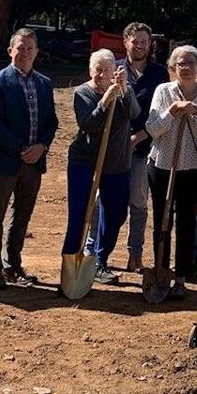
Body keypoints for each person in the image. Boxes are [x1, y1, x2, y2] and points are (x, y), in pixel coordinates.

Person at [0, 29, 59, 289]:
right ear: (10, 50)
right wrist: (22, 149)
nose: (24, 53)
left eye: (29, 48)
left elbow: (52, 121)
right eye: (20, 48)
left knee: (22, 215)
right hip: (5, 160)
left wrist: (42, 147)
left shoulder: (45, 83)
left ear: (36, 52)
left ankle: (13, 265)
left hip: (34, 162)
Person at [62, 49, 140, 285]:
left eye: (106, 70)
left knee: (115, 213)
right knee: (79, 214)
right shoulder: (83, 92)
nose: (102, 74)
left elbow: (135, 114)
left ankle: (99, 260)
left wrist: (124, 91)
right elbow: (89, 125)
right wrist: (105, 100)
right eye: (98, 69)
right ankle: (70, 263)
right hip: (85, 161)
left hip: (117, 162)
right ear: (90, 70)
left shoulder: (125, 89)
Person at [146, 45, 197, 298]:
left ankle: (181, 277)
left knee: (187, 222)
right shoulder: (162, 91)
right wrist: (172, 112)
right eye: (180, 64)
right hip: (163, 166)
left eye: (190, 63)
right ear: (173, 68)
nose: (186, 68)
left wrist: (196, 113)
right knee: (161, 221)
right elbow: (153, 129)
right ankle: (161, 270)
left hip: (192, 168)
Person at [116, 22, 168, 273]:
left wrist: (142, 134)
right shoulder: (114, 69)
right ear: (125, 42)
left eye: (144, 42)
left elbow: (162, 112)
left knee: (138, 204)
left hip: (143, 150)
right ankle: (98, 254)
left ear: (150, 45)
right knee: (106, 202)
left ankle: (134, 255)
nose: (139, 46)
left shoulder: (159, 74)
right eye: (135, 41)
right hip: (113, 149)